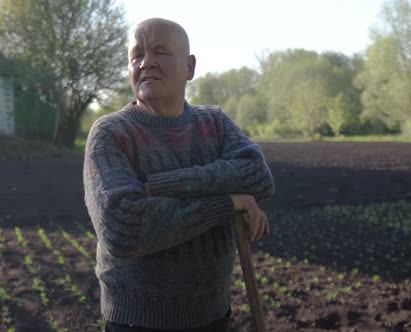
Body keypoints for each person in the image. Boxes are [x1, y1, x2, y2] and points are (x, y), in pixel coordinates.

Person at [83, 18, 275, 332]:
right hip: (136, 321)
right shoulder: (111, 132)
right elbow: (122, 227)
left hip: (213, 315)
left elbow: (256, 176)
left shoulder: (214, 122)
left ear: (189, 67)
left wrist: (162, 184)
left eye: (159, 51)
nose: (146, 63)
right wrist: (227, 203)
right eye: (137, 55)